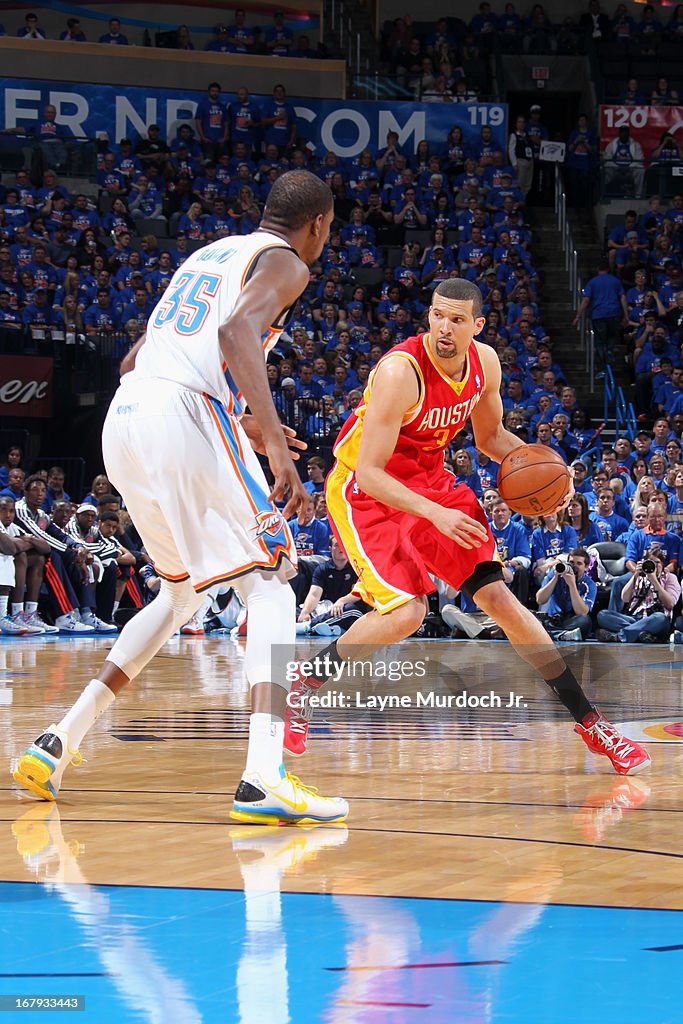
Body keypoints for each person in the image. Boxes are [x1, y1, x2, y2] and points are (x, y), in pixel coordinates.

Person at [14, 171, 348, 825]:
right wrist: (275, 444)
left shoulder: (209, 255)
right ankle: (263, 776)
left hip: (128, 417)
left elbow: (135, 359)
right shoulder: (284, 262)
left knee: (179, 595)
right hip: (181, 415)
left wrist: (234, 421)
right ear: (317, 226)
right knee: (275, 580)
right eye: (327, 230)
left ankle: (59, 741)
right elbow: (235, 334)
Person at [284, 278, 650, 776]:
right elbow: (369, 470)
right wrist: (434, 514)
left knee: (501, 599)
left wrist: (557, 475)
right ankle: (305, 682)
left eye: (456, 319)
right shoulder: (400, 372)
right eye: (437, 315)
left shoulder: (486, 364)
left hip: (431, 481)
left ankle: (591, 723)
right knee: (407, 614)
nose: (444, 327)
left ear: (476, 325)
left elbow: (492, 437)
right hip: (366, 491)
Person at [573, 259, 630, 380]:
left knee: (599, 342)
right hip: (614, 313)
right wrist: (626, 315)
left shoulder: (593, 282)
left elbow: (586, 299)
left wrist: (578, 315)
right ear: (608, 269)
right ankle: (609, 356)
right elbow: (623, 298)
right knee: (611, 339)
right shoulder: (616, 281)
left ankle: (602, 369)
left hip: (599, 314)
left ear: (598, 270)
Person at [535, 547, 597, 641]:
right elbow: (540, 599)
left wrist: (572, 585)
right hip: (553, 619)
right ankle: (562, 635)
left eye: (579, 563)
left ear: (586, 567)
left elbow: (582, 612)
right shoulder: (556, 573)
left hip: (572, 621)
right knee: (533, 617)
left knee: (585, 621)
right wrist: (555, 578)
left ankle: (551, 633)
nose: (574, 566)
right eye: (571, 563)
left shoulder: (589, 584)